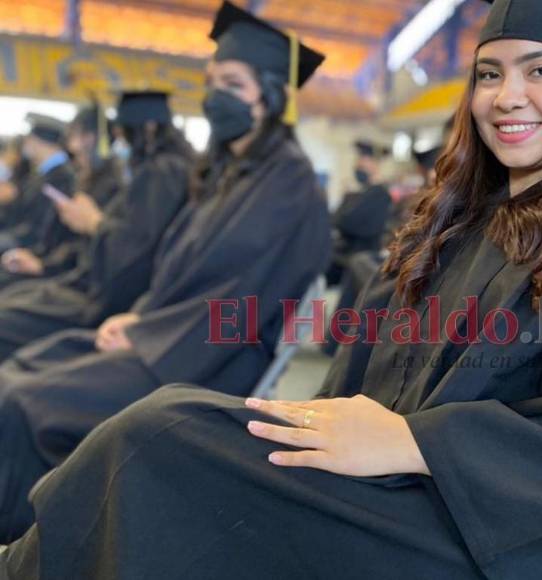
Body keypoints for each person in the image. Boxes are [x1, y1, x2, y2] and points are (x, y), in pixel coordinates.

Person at [0, 1, 542, 579]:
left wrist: (416, 442)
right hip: (369, 478)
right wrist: (314, 424)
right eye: (488, 74)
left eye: (539, 70)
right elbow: (359, 369)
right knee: (156, 439)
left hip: (471, 526)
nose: (507, 96)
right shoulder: (450, 220)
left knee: (155, 437)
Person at [0, 0, 329, 542]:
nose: (214, 94)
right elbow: (183, 274)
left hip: (204, 362)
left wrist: (145, 330)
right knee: (24, 365)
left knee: (22, 402)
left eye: (232, 82)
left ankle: (29, 546)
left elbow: (243, 300)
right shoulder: (231, 174)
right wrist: (138, 314)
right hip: (167, 338)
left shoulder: (287, 186)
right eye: (211, 80)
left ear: (271, 95)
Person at [0, 92, 193, 362]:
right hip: (83, 280)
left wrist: (94, 223)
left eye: (124, 132)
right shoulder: (154, 171)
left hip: (101, 300)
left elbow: (137, 249)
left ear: (147, 128)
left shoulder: (162, 173)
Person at [0, 115, 76, 277]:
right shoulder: (43, 173)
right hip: (19, 238)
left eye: (30, 138)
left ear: (39, 142)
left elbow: (41, 229)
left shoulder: (61, 177)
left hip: (32, 250)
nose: (25, 143)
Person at [326, 139, 393, 285]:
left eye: (363, 161)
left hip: (358, 258)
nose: (358, 166)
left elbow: (348, 222)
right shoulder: (362, 193)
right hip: (346, 255)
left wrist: (343, 214)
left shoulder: (380, 194)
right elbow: (336, 219)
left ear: (375, 164)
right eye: (358, 161)